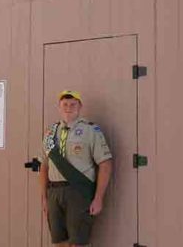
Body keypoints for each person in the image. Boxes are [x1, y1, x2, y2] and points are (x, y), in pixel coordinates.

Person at [39, 90, 113, 247]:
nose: (68, 107)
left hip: (79, 192)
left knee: (78, 243)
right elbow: (44, 166)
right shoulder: (50, 133)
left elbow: (105, 164)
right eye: (65, 104)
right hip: (54, 193)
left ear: (80, 107)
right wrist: (44, 198)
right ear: (59, 107)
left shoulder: (91, 131)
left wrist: (98, 198)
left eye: (73, 104)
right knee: (59, 242)